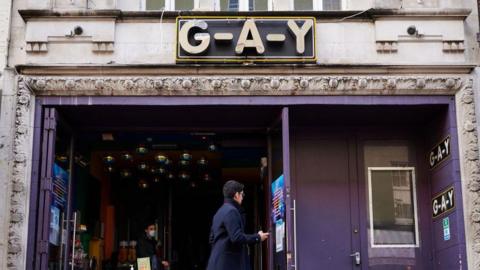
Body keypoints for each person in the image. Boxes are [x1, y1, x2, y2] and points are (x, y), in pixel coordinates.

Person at [207, 180, 269, 270]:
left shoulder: (218, 213)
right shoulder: (231, 211)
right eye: (242, 194)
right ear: (236, 195)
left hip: (216, 263)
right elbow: (236, 237)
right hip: (228, 264)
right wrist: (258, 237)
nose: (243, 197)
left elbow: (211, 239)